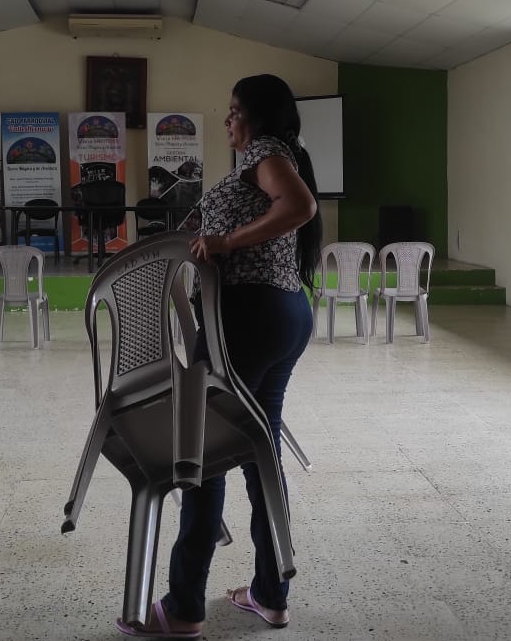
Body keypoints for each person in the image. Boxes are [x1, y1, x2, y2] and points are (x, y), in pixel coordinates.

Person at [117, 74, 322, 638]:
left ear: (257, 117)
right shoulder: (269, 158)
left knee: (201, 455)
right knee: (258, 449)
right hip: (284, 313)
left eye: (234, 110)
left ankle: (184, 606)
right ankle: (270, 595)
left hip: (247, 319)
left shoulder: (266, 152)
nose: (228, 119)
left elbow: (299, 206)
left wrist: (226, 243)